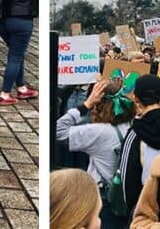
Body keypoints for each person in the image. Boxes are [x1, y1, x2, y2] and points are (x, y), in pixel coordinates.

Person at [56, 80, 135, 228]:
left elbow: (58, 130)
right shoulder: (131, 124)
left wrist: (85, 105)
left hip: (102, 195)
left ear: (98, 105)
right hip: (124, 195)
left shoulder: (99, 132)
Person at [120, 74, 160, 221]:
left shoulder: (135, 132)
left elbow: (126, 176)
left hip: (145, 203)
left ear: (136, 98)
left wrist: (134, 210)